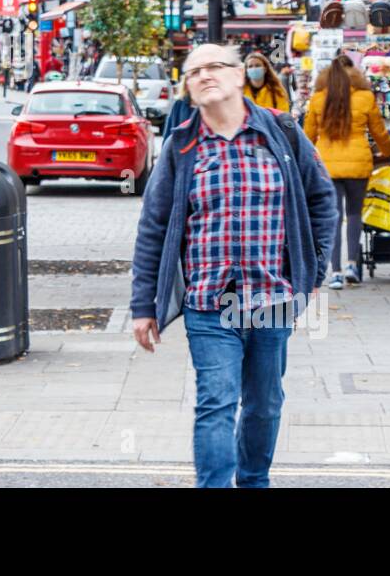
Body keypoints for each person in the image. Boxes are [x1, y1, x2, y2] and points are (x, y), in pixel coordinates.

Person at [130, 43, 336, 488]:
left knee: (264, 404)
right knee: (216, 403)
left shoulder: (281, 132)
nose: (204, 75)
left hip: (273, 299)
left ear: (240, 75)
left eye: (214, 67)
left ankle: (254, 480)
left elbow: (322, 198)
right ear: (187, 86)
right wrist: (143, 305)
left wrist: (314, 271)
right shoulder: (181, 146)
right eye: (194, 71)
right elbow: (153, 226)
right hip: (208, 302)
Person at [304, 54, 390, 289]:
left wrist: (304, 162)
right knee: (354, 214)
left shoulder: (318, 99)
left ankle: (334, 272)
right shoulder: (365, 98)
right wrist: (388, 152)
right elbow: (379, 131)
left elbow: (307, 136)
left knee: (333, 217)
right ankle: (352, 263)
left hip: (327, 166)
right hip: (358, 163)